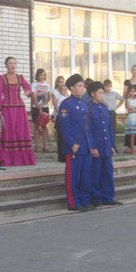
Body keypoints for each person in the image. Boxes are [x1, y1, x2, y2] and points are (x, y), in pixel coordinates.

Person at [59, 74, 93, 211]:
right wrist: (71, 143)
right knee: (73, 177)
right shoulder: (66, 104)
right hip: (74, 147)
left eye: (83, 85)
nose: (83, 88)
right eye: (79, 86)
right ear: (72, 88)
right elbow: (64, 128)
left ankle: (85, 200)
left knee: (85, 176)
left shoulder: (84, 103)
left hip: (86, 146)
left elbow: (88, 127)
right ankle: (74, 203)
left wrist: (91, 144)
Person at [0, 57, 37, 166]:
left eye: (14, 63)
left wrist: (28, 92)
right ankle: (9, 159)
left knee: (20, 130)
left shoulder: (20, 77)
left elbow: (27, 87)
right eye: (10, 63)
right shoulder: (2, 78)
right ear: (6, 65)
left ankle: (23, 159)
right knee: (9, 130)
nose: (12, 65)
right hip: (7, 108)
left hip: (19, 107)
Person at [88, 81, 122, 206]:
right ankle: (96, 198)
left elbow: (108, 129)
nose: (102, 95)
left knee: (107, 172)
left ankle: (108, 197)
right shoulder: (89, 108)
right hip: (96, 146)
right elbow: (88, 130)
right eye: (100, 93)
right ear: (93, 94)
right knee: (96, 173)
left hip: (106, 146)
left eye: (103, 92)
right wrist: (92, 147)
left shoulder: (104, 107)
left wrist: (112, 145)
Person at [30, 68, 51, 152]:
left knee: (44, 126)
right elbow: (33, 95)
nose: (42, 76)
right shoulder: (34, 84)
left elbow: (49, 96)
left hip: (44, 106)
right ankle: (37, 145)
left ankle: (45, 145)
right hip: (35, 107)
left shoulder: (47, 84)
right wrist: (38, 105)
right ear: (37, 75)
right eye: (40, 74)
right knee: (36, 126)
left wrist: (43, 104)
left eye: (43, 75)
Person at [51, 82, 70, 163]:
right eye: (63, 90)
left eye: (66, 90)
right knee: (61, 138)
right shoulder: (61, 99)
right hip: (61, 118)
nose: (64, 92)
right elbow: (60, 109)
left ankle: (66, 156)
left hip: (66, 119)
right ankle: (61, 157)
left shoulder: (68, 98)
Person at [125, 87, 136, 154]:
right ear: (129, 92)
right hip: (132, 119)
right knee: (133, 134)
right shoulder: (128, 100)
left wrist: (134, 109)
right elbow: (129, 110)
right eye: (131, 91)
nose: (133, 92)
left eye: (134, 91)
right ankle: (132, 149)